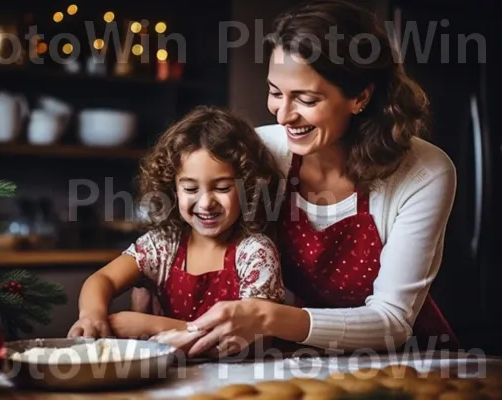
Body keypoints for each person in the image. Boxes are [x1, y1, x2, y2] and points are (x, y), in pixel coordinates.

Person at [153, 0, 460, 357]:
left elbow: (391, 321)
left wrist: (268, 317)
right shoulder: (263, 149)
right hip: (290, 356)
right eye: (274, 92)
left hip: (406, 362)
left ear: (360, 96)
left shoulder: (423, 172)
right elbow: (192, 220)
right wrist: (154, 276)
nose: (284, 115)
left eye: (306, 99)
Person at [67, 106, 286, 342]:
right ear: (173, 190)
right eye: (190, 189)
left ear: (249, 189)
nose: (205, 203)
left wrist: (153, 326)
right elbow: (103, 279)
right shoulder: (163, 246)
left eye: (222, 188)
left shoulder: (256, 253)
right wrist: (91, 314)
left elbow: (253, 336)